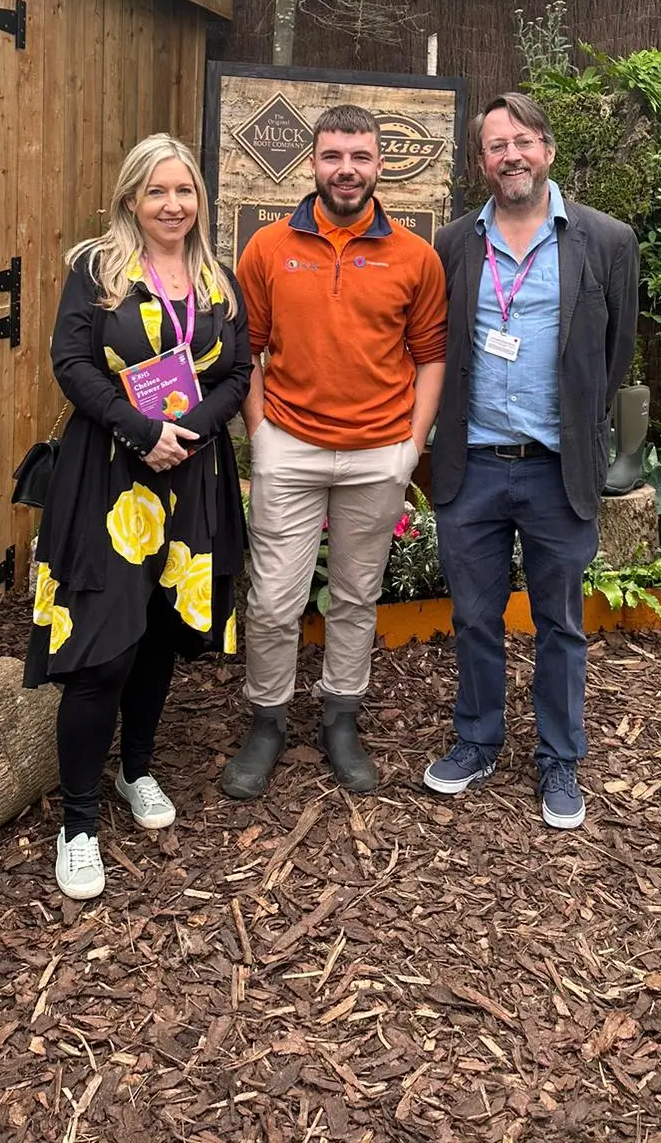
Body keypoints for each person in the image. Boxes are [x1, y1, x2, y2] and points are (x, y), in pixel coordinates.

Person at [24, 135, 250, 900]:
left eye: (184, 191)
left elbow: (238, 370)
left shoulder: (217, 278)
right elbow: (72, 363)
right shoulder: (97, 270)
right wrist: (141, 429)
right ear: (130, 199)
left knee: (157, 636)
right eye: (156, 192)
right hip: (112, 479)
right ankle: (77, 822)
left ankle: (138, 770)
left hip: (190, 480)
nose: (172, 205)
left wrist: (192, 431)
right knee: (101, 651)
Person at [424, 92, 639, 830]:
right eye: (494, 145)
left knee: (561, 624)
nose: (510, 155)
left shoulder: (606, 241)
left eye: (522, 141)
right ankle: (479, 740)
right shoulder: (453, 245)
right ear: (480, 162)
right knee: (475, 617)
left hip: (556, 465)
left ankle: (558, 759)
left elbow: (614, 356)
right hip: (473, 464)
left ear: (547, 148)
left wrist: (576, 423)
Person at [222, 103, 447, 800]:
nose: (346, 169)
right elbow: (245, 351)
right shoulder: (265, 249)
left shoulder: (416, 256)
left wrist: (411, 449)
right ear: (312, 163)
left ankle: (341, 716)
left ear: (381, 166)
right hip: (288, 446)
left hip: (379, 452)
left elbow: (431, 358)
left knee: (354, 596)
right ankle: (267, 719)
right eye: (332, 156)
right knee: (272, 601)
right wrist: (259, 436)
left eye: (359, 157)